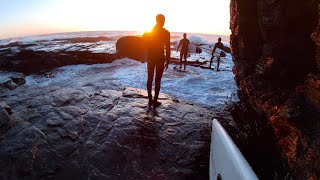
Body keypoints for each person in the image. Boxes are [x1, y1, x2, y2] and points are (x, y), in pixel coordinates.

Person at [142, 14, 170, 108]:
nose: (163, 22)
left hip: (151, 58)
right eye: (163, 20)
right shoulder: (166, 33)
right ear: (159, 21)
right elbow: (168, 48)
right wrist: (168, 60)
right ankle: (154, 101)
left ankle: (151, 100)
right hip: (160, 59)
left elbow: (142, 44)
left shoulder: (149, 32)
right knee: (157, 80)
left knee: (150, 79)